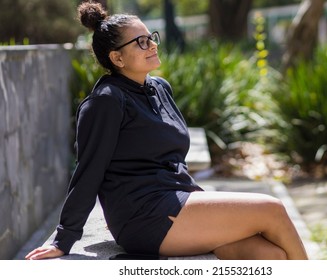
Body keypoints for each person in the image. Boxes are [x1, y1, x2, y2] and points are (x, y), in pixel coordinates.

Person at [26, 1, 308, 260]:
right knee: (273, 210)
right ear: (117, 58)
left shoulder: (160, 88)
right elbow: (89, 170)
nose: (152, 45)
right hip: (144, 215)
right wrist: (64, 239)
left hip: (180, 200)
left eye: (151, 38)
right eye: (141, 42)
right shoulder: (106, 101)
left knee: (272, 256)